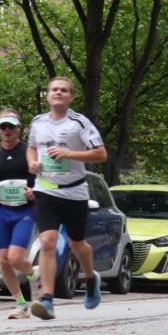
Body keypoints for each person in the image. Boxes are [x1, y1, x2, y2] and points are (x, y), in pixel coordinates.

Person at [26, 76, 108, 320]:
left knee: (77, 243)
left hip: (74, 190)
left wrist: (69, 153)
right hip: (46, 189)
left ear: (71, 96)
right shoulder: (38, 122)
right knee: (48, 241)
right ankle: (48, 300)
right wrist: (32, 162)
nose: (58, 93)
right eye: (54, 89)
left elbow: (101, 154)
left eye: (63, 90)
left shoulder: (79, 123)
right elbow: (31, 146)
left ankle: (91, 278)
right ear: (48, 95)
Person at [0, 109, 39, 319]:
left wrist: (35, 192)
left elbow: (45, 179)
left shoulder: (29, 152)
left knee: (14, 258)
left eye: (11, 126)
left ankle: (33, 272)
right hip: (3, 211)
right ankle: (22, 305)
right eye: (3, 127)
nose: (7, 131)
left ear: (18, 129)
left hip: (25, 211)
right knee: (3, 261)